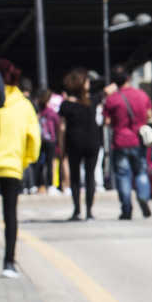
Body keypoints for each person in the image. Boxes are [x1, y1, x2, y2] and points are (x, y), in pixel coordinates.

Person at [0, 59, 39, 278]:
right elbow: (34, 139)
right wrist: (25, 161)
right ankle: (9, 262)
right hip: (12, 165)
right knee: (11, 214)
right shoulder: (24, 105)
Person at [101, 66, 152, 219]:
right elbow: (149, 115)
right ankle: (143, 196)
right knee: (141, 172)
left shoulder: (112, 99)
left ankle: (126, 209)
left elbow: (106, 121)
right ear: (128, 79)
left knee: (123, 176)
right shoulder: (142, 95)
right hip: (138, 140)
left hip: (120, 141)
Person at [57, 67, 102, 221]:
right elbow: (106, 92)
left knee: (75, 177)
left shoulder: (66, 105)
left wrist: (62, 149)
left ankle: (77, 210)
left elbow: (62, 128)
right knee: (90, 177)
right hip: (92, 142)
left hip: (74, 143)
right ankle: (89, 211)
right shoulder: (92, 101)